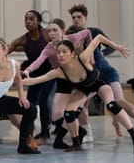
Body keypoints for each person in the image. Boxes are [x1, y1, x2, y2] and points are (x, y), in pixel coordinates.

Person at [23, 36, 134, 154]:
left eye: (64, 52)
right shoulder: (59, 72)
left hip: (99, 84)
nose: (60, 55)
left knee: (112, 106)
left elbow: (98, 38)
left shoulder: (83, 58)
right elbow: (36, 80)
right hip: (84, 90)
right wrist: (16, 80)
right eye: (58, 52)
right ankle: (76, 143)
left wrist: (117, 47)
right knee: (69, 112)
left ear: (72, 53)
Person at [68, 4, 134, 144]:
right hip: (91, 78)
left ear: (85, 18)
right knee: (82, 103)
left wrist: (102, 53)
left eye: (79, 17)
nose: (76, 19)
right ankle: (88, 132)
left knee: (119, 102)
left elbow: (111, 45)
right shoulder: (72, 38)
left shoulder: (93, 32)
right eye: (74, 17)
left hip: (107, 73)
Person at [23, 19, 92, 147]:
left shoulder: (71, 38)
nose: (52, 33)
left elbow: (87, 33)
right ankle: (78, 131)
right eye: (49, 31)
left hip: (77, 77)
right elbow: (38, 61)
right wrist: (28, 70)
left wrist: (91, 58)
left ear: (62, 31)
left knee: (73, 109)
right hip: (60, 76)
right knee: (55, 115)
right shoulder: (49, 47)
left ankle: (74, 136)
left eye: (55, 30)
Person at [8, 10, 54, 146]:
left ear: (38, 21)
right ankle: (29, 131)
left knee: (43, 99)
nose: (28, 21)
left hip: (49, 73)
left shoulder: (46, 34)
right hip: (33, 74)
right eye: (26, 19)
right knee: (30, 103)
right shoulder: (23, 39)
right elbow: (5, 50)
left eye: (32, 19)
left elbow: (61, 43)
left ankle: (45, 134)